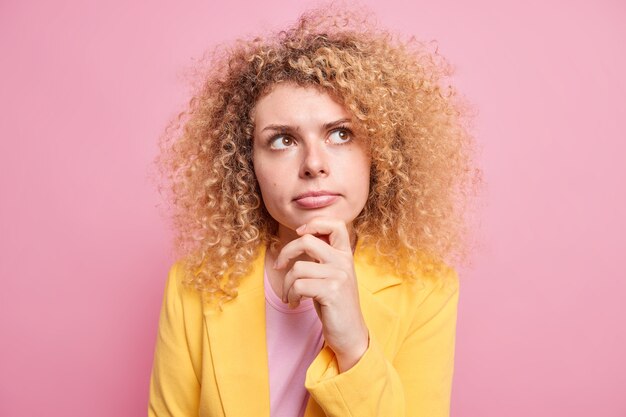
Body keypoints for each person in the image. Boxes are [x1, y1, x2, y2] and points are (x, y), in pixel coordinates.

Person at [149, 5, 478, 417]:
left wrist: (354, 344)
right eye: (283, 140)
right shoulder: (193, 285)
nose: (314, 163)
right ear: (245, 162)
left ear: (379, 152)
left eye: (341, 134)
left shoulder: (427, 287)